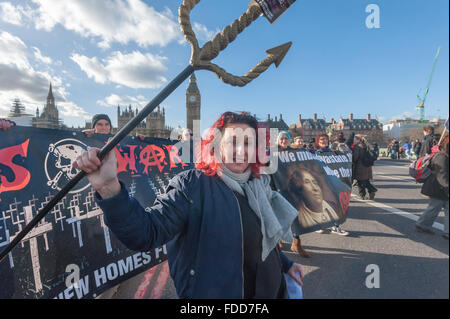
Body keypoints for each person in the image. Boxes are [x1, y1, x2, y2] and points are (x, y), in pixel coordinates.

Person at [73, 111, 304, 299]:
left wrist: (285, 264)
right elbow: (147, 232)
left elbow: (262, 237)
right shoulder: (193, 185)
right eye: (233, 141)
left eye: (248, 143)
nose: (242, 151)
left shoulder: (258, 185)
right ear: (216, 146)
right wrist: (109, 188)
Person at [277, 131, 310, 258]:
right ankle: (278, 240)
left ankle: (297, 243)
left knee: (296, 216)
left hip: (293, 189)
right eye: (281, 139)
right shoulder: (273, 152)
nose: (284, 140)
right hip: (277, 187)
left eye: (286, 138)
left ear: (289, 140)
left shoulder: (295, 153)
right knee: (278, 216)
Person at [314, 134, 350, 236]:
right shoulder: (314, 153)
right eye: (321, 139)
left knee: (335, 205)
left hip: (333, 182)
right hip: (321, 182)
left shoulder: (333, 152)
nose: (323, 141)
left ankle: (335, 226)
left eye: (325, 139)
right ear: (317, 141)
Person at [415, 136, 449, 239]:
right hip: (438, 187)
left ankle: (446, 231)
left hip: (441, 186)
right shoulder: (441, 157)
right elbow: (442, 176)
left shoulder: (444, 156)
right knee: (434, 208)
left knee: (438, 208)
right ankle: (422, 225)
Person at [352, 134, 377, 200]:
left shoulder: (357, 146)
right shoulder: (366, 145)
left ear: (358, 140)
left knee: (361, 181)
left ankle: (369, 191)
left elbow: (355, 157)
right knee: (364, 180)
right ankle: (364, 194)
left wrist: (351, 160)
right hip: (367, 166)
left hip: (360, 166)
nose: (353, 141)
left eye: (354, 139)